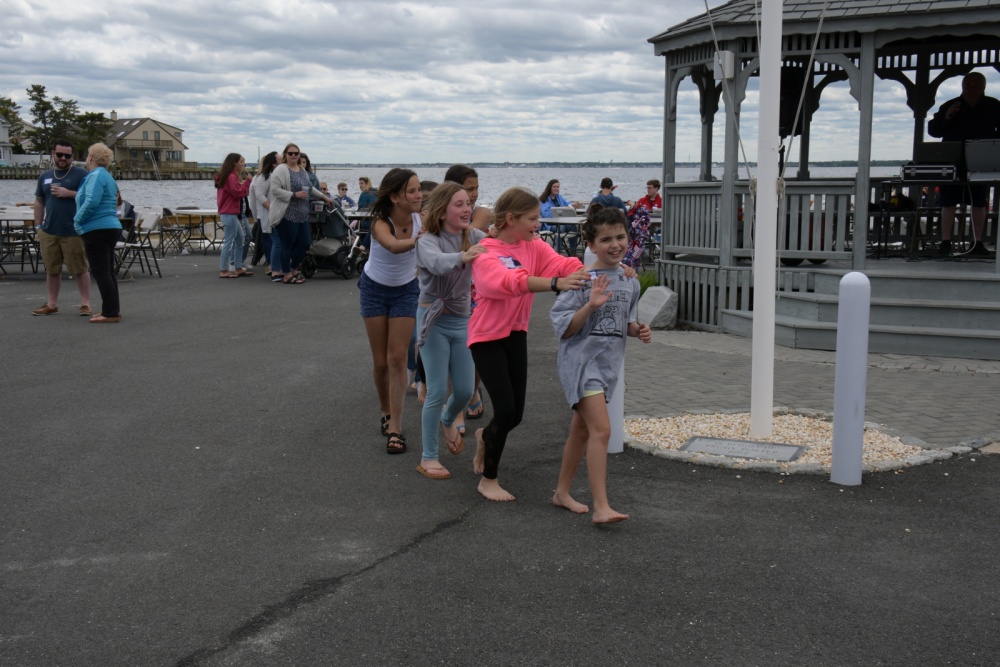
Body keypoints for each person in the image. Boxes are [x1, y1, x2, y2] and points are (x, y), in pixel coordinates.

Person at [468, 186, 591, 502]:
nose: (539, 223)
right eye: (533, 218)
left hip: (515, 333)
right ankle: (488, 481)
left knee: (516, 415)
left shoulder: (533, 245)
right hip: (486, 337)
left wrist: (591, 270)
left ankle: (485, 436)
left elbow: (560, 264)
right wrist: (554, 284)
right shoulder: (485, 252)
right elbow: (507, 282)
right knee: (505, 409)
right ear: (511, 219)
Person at [550, 207, 652, 524]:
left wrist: (638, 330)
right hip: (581, 365)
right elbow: (564, 328)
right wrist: (590, 306)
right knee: (602, 430)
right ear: (592, 245)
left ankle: (561, 493)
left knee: (581, 431)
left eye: (620, 237)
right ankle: (601, 506)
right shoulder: (582, 281)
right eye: (606, 239)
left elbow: (626, 322)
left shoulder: (630, 281)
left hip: (608, 367)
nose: (615, 244)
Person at [413, 182, 489, 479]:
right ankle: (428, 457)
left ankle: (448, 418)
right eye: (459, 204)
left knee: (465, 390)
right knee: (435, 391)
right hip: (433, 321)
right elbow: (437, 263)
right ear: (442, 211)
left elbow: (498, 246)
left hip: (462, 321)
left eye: (468, 203)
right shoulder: (427, 241)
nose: (467, 209)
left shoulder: (474, 236)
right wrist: (463, 257)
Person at [359, 168, 423, 454]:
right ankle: (385, 410)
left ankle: (396, 427)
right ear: (395, 197)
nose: (418, 195)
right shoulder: (379, 222)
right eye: (412, 191)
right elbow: (393, 246)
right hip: (374, 289)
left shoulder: (422, 219)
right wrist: (422, 240)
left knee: (397, 358)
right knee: (381, 362)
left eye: (419, 189)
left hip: (406, 290)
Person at [927, 71, 1000, 257]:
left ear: (983, 88)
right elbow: (933, 131)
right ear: (963, 87)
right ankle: (945, 242)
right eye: (968, 86)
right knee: (948, 202)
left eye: (976, 87)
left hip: (981, 162)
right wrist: (946, 118)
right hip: (953, 162)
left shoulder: (993, 106)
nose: (972, 90)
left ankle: (977, 243)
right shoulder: (950, 105)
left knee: (979, 202)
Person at [31, 139, 92, 317]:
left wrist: (69, 193)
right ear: (53, 154)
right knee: (52, 269)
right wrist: (38, 226)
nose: (63, 158)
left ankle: (85, 304)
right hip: (49, 231)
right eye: (60, 155)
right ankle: (52, 304)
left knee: (80, 268)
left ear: (72, 157)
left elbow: (90, 197)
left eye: (67, 155)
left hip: (73, 231)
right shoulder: (45, 176)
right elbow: (39, 201)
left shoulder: (81, 174)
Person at [266, 144, 333, 284]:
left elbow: (310, 188)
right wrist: (293, 194)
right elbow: (275, 190)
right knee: (287, 244)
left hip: (302, 215)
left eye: (296, 153)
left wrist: (324, 197)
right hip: (287, 214)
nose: (293, 155)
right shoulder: (281, 169)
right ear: (285, 154)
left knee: (305, 244)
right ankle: (286, 274)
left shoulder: (302, 170)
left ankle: (293, 268)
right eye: (290, 153)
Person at [73, 143, 122, 323]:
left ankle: (110, 313)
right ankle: (112, 309)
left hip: (97, 229)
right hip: (111, 227)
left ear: (91, 158)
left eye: (87, 155)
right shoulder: (107, 176)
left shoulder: (95, 176)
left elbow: (92, 202)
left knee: (101, 272)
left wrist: (77, 219)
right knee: (107, 271)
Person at [215, 153, 253, 278]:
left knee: (240, 238)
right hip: (229, 213)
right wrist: (247, 182)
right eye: (241, 161)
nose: (243, 164)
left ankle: (238, 267)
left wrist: (242, 185)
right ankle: (223, 269)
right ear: (234, 163)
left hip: (230, 213)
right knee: (229, 241)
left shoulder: (227, 176)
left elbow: (234, 191)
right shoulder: (231, 176)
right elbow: (237, 193)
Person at [248, 151, 278, 275]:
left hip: (278, 214)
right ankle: (270, 264)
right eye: (278, 161)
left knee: (276, 240)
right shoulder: (262, 177)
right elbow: (257, 197)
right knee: (268, 239)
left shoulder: (278, 176)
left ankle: (276, 264)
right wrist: (257, 216)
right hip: (266, 215)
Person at [539, 178, 581, 255]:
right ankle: (557, 252)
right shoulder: (544, 199)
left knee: (573, 227)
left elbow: (567, 203)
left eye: (558, 187)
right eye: (554, 187)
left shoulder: (559, 197)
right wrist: (559, 210)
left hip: (562, 222)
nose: (556, 189)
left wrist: (572, 205)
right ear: (550, 188)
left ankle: (573, 252)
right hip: (549, 224)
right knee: (561, 227)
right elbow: (546, 215)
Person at [444, 164, 491, 232]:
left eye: (476, 189)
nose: (476, 194)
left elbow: (468, 235)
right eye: (469, 189)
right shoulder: (440, 214)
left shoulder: (481, 212)